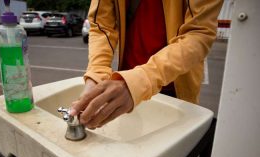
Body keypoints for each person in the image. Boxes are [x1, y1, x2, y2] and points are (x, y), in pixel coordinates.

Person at [70, 0, 223, 129]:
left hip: (175, 87)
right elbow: (102, 25)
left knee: (167, 155)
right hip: (124, 86)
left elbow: (199, 33)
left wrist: (139, 81)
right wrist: (96, 76)